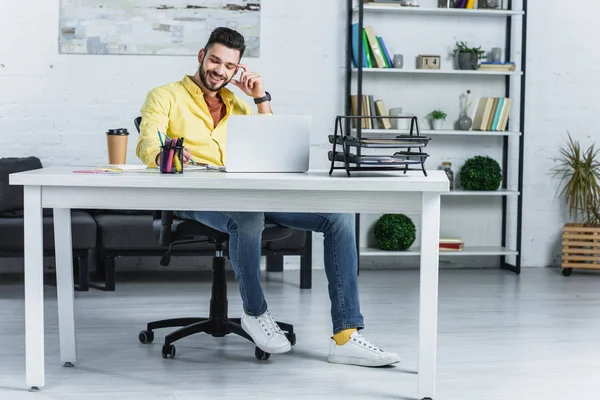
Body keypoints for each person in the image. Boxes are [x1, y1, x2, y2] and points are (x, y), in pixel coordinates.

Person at [136, 27, 400, 367]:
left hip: (248, 194)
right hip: (196, 199)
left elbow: (276, 147)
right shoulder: (165, 95)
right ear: (202, 57)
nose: (220, 70)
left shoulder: (239, 105)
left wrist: (261, 98)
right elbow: (147, 143)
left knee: (339, 217)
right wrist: (164, 156)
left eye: (229, 66)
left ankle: (345, 337)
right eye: (215, 60)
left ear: (237, 70)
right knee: (247, 217)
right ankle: (255, 314)